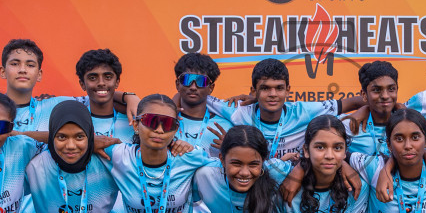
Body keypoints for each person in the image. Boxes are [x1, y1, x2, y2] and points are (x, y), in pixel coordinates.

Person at [229, 58, 361, 157]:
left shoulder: (304, 112)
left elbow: (357, 102)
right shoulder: (238, 111)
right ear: (253, 91)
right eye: (265, 88)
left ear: (288, 90)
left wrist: (364, 110)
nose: (273, 94)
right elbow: (209, 100)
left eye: (279, 88)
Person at [172, 51, 236, 154]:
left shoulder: (226, 128)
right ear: (178, 84)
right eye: (187, 79)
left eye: (201, 81)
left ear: (211, 88)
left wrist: (231, 150)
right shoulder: (165, 122)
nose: (193, 87)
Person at [0, 38, 65, 136]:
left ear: (39, 74)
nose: (22, 70)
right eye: (15, 64)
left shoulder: (53, 106)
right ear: (3, 72)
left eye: (30, 65)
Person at [74, 47, 137, 141]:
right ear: (82, 84)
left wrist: (130, 96)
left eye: (108, 77)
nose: (101, 83)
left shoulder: (133, 122)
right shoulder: (73, 121)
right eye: (92, 78)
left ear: (117, 82)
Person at [346, 60, 401, 158]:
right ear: (364, 95)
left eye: (391, 89)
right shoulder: (349, 125)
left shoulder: (410, 121)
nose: (385, 95)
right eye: (376, 90)